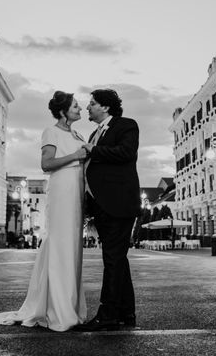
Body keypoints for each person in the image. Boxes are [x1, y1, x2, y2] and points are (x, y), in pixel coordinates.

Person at [0, 91, 88, 332]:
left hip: (76, 192)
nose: (80, 109)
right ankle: (57, 309)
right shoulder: (51, 132)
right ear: (63, 111)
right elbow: (46, 164)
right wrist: (76, 156)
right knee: (61, 245)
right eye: (75, 106)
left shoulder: (78, 134)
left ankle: (69, 306)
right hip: (62, 191)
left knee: (72, 248)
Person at [76, 89, 141, 331]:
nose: (87, 108)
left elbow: (126, 153)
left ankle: (108, 314)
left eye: (92, 104)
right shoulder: (94, 132)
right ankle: (126, 313)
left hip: (119, 203)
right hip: (103, 206)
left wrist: (94, 150)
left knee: (113, 260)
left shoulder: (126, 125)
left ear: (105, 107)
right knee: (117, 260)